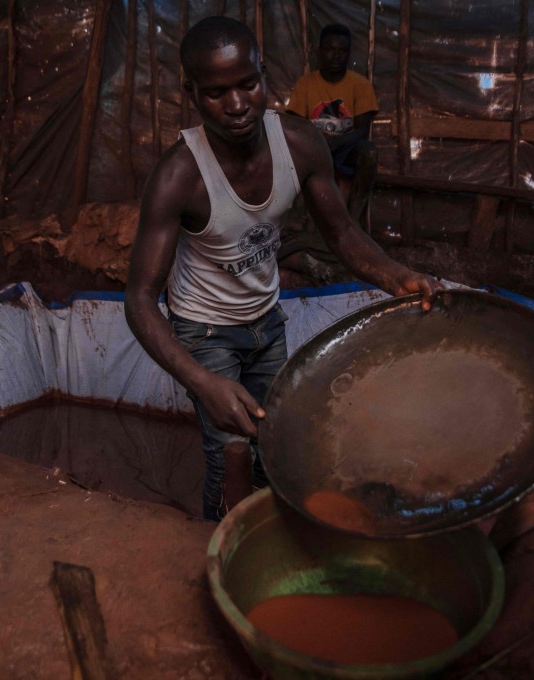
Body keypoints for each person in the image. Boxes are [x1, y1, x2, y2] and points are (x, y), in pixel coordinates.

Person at [124, 16, 438, 521]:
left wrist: (393, 274)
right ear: (191, 92)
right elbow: (139, 300)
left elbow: (341, 232)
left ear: (264, 75)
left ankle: (275, 542)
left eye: (248, 84)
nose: (237, 105)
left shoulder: (299, 142)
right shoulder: (179, 176)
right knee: (231, 458)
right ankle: (222, 559)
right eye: (216, 93)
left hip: (266, 323)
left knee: (275, 444)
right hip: (204, 331)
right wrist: (202, 381)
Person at [286, 23, 379, 226]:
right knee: (288, 151)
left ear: (348, 53)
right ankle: (296, 222)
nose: (335, 56)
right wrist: (318, 142)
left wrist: (336, 143)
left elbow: (363, 129)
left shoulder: (360, 85)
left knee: (368, 153)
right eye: (330, 50)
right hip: (312, 149)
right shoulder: (306, 84)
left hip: (345, 148)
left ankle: (354, 222)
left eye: (341, 51)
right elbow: (294, 124)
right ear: (320, 52)